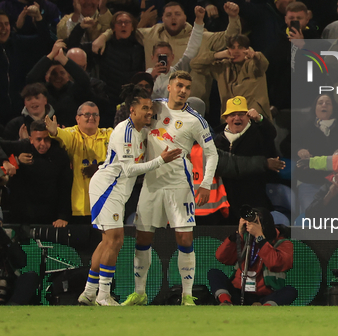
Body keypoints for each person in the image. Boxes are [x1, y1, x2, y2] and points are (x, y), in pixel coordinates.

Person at [122, 71, 218, 306]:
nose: (183, 90)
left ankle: (187, 296)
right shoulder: (153, 107)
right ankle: (140, 293)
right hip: (151, 185)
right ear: (169, 87)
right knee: (142, 239)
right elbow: (132, 119)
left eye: (187, 87)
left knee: (184, 240)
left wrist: (205, 184)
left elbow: (211, 153)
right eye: (179, 86)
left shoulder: (195, 120)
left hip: (179, 186)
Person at [78, 86, 181, 306]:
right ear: (131, 110)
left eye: (150, 108)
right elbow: (128, 170)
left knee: (107, 241)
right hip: (108, 187)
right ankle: (103, 296)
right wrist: (161, 160)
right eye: (144, 108)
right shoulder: (124, 131)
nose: (148, 112)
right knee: (116, 239)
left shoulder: (141, 130)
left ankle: (88, 293)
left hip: (117, 190)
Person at [208, 206, 297, 305]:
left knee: (290, 291)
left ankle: (265, 307)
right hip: (239, 292)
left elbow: (275, 263)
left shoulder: (283, 243)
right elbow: (222, 257)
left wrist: (260, 238)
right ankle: (226, 302)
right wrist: (238, 234)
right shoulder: (244, 238)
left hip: (265, 295)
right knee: (214, 273)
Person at [45, 101, 113, 224]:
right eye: (86, 114)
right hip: (80, 207)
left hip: (106, 204)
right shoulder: (72, 134)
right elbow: (62, 135)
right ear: (78, 118)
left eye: (95, 115)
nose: (91, 117)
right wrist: (54, 131)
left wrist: (101, 168)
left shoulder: (109, 134)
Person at [213, 96, 277, 223]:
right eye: (232, 114)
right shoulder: (217, 140)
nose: (237, 118)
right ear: (226, 118)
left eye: (241, 114)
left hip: (253, 199)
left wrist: (260, 119)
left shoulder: (258, 134)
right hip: (225, 203)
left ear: (248, 117)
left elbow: (271, 134)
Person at [0, 120, 72, 226]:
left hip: (50, 215)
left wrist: (63, 216)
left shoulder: (60, 154)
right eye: (39, 139)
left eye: (46, 139)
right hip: (20, 215)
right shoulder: (22, 147)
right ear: (31, 140)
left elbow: (65, 187)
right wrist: (5, 161)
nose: (43, 144)